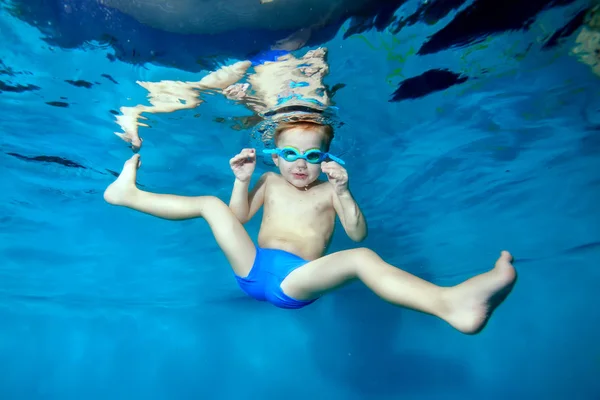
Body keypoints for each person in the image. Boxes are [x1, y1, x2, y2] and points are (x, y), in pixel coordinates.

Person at [103, 120, 517, 335]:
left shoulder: (329, 192)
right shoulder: (269, 181)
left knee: (359, 257)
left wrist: (344, 191)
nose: (300, 164)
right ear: (275, 156)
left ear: (326, 158)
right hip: (252, 268)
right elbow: (239, 217)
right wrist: (242, 179)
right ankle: (128, 195)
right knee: (211, 206)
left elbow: (357, 234)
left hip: (293, 282)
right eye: (289, 153)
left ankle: (448, 304)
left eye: (312, 154)